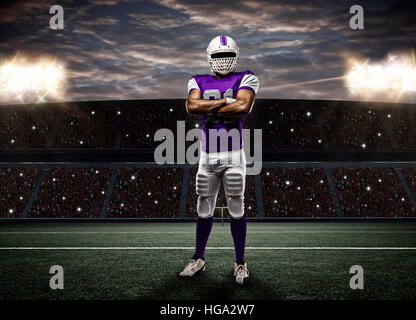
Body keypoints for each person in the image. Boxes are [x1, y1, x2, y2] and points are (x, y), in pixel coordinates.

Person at [179, 35, 259, 284]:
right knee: (204, 207)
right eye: (218, 57)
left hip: (234, 153)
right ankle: (198, 258)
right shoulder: (196, 79)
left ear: (236, 56)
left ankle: (240, 263)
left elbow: (243, 107)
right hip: (207, 154)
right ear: (209, 57)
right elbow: (192, 106)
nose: (222, 62)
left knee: (236, 207)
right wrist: (225, 100)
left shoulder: (247, 77)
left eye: (227, 56)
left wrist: (209, 106)